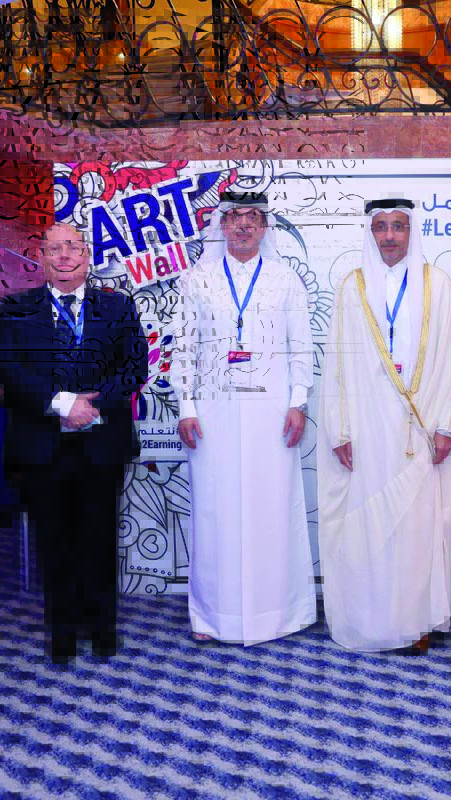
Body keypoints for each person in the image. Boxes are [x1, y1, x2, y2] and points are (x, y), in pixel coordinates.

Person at [0, 223, 147, 665]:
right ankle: (61, 631)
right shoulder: (15, 308)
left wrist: (93, 404)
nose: (65, 256)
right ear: (41, 256)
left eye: (74, 247)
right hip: (44, 445)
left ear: (87, 255)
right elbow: (8, 369)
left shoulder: (117, 307)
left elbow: (135, 366)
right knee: (55, 540)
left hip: (102, 441)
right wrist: (62, 403)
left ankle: (102, 628)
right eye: (56, 248)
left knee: (99, 539)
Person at [172, 191, 316, 645]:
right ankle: (214, 617)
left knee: (271, 508)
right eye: (235, 217)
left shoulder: (285, 279)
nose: (244, 226)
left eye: (253, 217)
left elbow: (301, 346)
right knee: (217, 511)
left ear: (266, 226)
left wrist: (298, 401)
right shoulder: (198, 279)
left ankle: (278, 614)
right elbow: (182, 348)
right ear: (222, 224)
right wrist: (186, 407)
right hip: (213, 414)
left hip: (271, 410)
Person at [317, 198, 451, 654]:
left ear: (411, 231)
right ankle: (372, 617)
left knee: (417, 524)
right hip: (366, 424)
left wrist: (444, 425)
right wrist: (339, 429)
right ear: (370, 232)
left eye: (398, 226)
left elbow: (449, 360)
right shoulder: (352, 287)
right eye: (381, 227)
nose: (390, 236)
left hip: (418, 426)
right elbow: (336, 363)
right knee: (371, 522)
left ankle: (415, 621)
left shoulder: (436, 285)